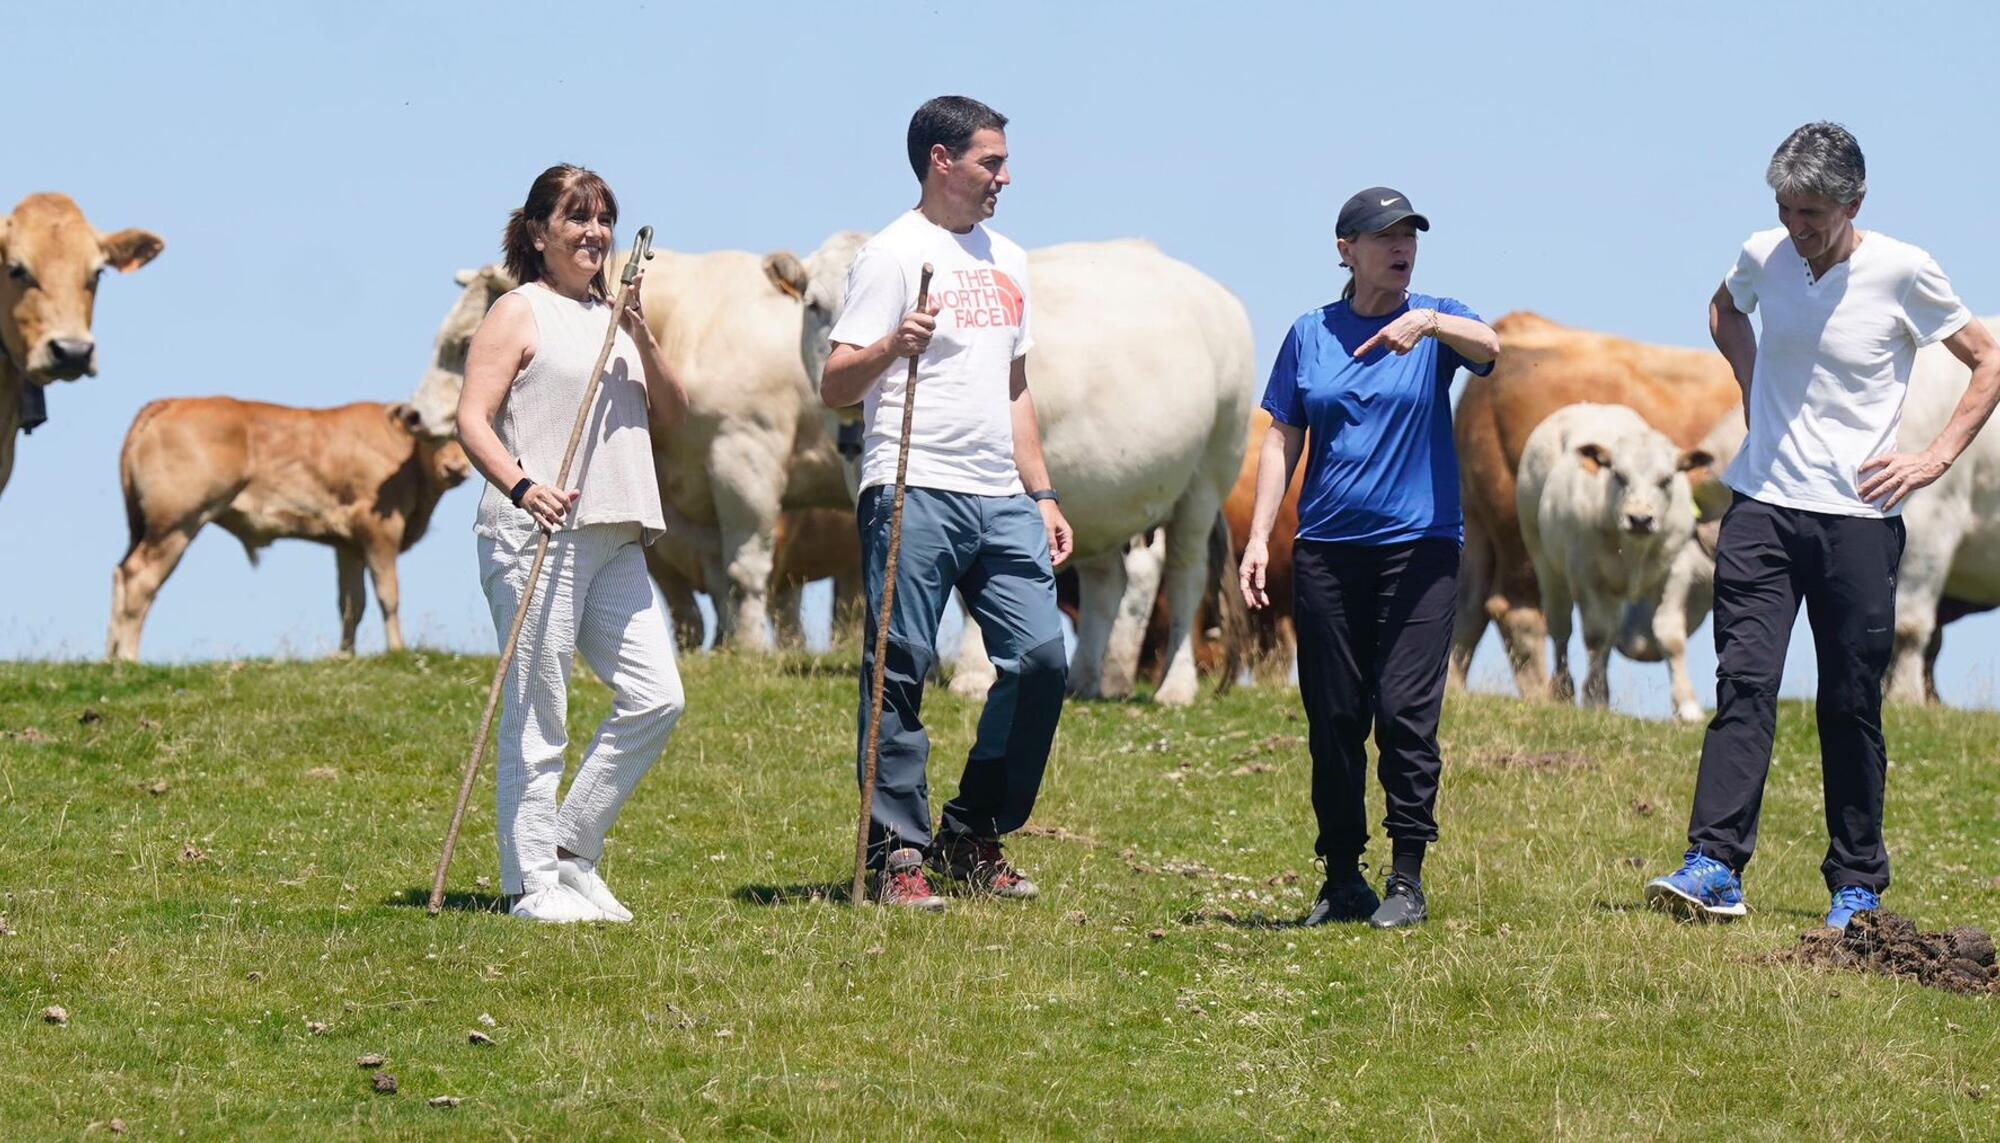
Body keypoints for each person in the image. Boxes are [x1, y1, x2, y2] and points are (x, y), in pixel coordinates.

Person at [1646, 123, 2000, 929]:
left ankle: (1857, 886)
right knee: (1745, 685)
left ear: (1854, 203)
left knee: (1848, 702)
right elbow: (1723, 309)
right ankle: (1714, 866)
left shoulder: (1905, 270)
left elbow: (1990, 359)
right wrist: (1750, 383)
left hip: (1860, 520)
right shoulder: (1763, 253)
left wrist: (1935, 457)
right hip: (1763, 505)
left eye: (1810, 211)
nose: (1795, 225)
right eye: (1784, 207)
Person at [820, 95, 1075, 911]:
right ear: (941, 159)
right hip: (911, 484)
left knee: (1041, 660)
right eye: (990, 161)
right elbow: (834, 385)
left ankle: (972, 833)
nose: (1006, 175)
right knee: (899, 668)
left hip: (1001, 493)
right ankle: (895, 852)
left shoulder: (1012, 259)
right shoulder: (892, 255)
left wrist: (1042, 492)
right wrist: (894, 344)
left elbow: (1015, 388)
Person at [1239, 187, 1498, 930]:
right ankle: (1343, 874)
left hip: (1420, 552)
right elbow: (1282, 434)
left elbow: (1493, 349)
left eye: (1409, 233)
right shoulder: (1309, 334)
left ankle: (1408, 876)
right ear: (1345, 249)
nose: (1401, 245)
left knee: (1405, 714)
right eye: (1384, 235)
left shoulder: (1436, 321)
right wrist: (1260, 536)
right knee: (1334, 716)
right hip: (1325, 550)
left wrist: (1431, 323)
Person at [456, 164, 692, 923]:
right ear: (538, 232)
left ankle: (568, 849)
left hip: (617, 534)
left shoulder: (615, 317)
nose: (594, 232)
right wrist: (525, 486)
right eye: (576, 217)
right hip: (536, 533)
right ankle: (528, 883)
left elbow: (677, 413)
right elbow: (471, 419)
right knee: (539, 708)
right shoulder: (518, 312)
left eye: (603, 219)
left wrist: (640, 332)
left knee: (659, 696)